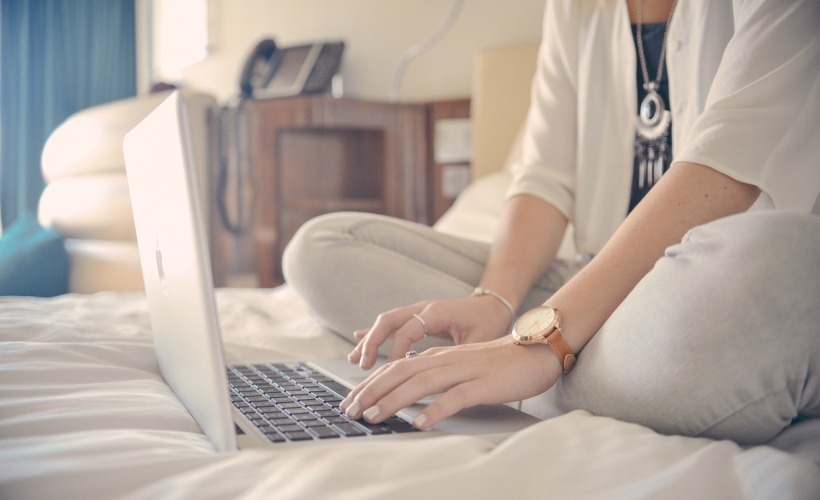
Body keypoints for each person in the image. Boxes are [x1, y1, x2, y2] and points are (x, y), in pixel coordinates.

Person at [284, 0, 820, 446]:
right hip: (584, 278)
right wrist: (494, 300)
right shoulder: (573, 6)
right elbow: (543, 177)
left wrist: (544, 341)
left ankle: (527, 366)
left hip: (705, 284)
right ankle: (531, 363)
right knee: (323, 246)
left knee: (792, 262)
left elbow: (728, 163)